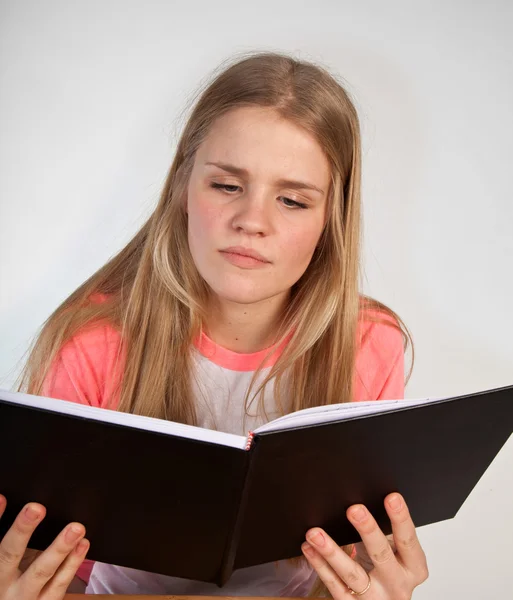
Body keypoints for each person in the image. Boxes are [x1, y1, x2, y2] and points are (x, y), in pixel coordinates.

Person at [0, 51, 428, 599]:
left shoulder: (369, 345)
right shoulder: (94, 344)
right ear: (183, 184)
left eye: (293, 200)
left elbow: (344, 569)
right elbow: (56, 576)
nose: (252, 221)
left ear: (331, 219)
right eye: (227, 186)